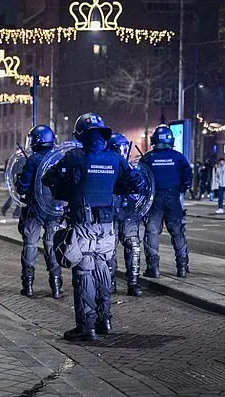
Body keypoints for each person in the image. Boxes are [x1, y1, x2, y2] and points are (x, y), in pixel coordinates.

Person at [42, 112, 144, 341]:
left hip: (83, 224)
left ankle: (86, 327)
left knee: (84, 272)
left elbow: (48, 179)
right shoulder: (115, 159)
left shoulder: (74, 157)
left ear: (80, 135)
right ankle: (105, 321)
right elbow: (136, 183)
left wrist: (69, 187)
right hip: (107, 226)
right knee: (103, 270)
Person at [15, 125, 63, 299]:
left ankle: (28, 285)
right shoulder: (58, 158)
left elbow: (23, 187)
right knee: (52, 245)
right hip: (54, 210)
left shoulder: (33, 160)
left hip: (34, 209)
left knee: (30, 245)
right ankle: (56, 286)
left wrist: (18, 181)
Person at [140, 125, 193, 278]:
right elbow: (187, 178)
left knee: (152, 232)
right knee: (178, 232)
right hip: (173, 198)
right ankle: (182, 267)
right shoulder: (178, 157)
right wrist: (180, 189)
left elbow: (141, 179)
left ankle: (153, 268)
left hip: (154, 199)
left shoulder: (148, 158)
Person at [106, 133, 143, 297]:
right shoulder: (107, 166)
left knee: (133, 246)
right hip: (110, 212)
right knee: (109, 249)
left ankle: (133, 283)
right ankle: (110, 283)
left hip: (128, 212)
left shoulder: (130, 167)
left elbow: (140, 186)